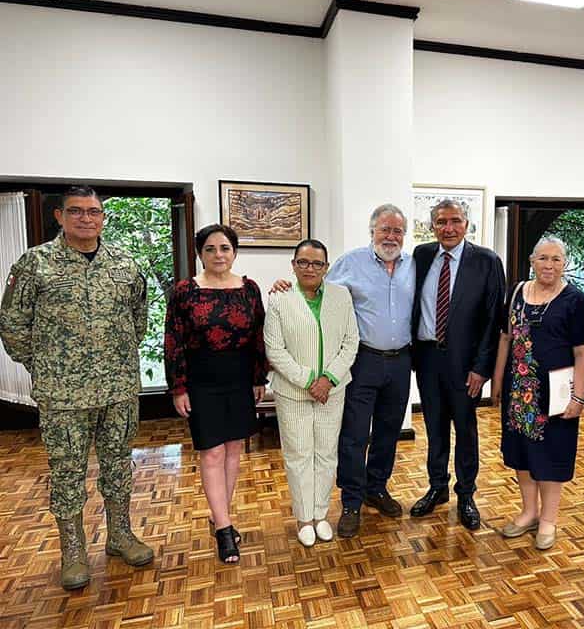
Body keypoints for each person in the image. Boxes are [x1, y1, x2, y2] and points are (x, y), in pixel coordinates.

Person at [0, 185, 153, 590]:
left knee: (119, 464)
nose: (86, 218)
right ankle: (73, 551)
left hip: (118, 389)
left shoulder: (124, 263)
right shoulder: (36, 264)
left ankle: (120, 535)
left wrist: (113, 357)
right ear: (59, 217)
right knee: (67, 472)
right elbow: (12, 324)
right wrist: (44, 364)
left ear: (103, 216)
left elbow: (140, 318)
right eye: (76, 211)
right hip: (62, 395)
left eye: (93, 212)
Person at [164, 224, 268, 564]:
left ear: (234, 252)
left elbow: (258, 336)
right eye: (210, 249)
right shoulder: (185, 291)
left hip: (239, 377)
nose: (218, 255)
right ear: (200, 253)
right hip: (201, 378)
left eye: (224, 248)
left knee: (234, 448)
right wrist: (178, 386)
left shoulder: (249, 289)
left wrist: (258, 378)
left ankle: (219, 512)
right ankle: (224, 529)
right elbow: (174, 340)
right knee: (211, 453)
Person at [490, 237, 584, 550]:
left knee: (552, 454)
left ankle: (548, 519)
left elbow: (583, 353)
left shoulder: (574, 300)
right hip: (519, 392)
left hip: (557, 395)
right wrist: (496, 382)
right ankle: (529, 512)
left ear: (565, 264)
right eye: (543, 258)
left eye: (556, 259)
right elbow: (506, 339)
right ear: (532, 261)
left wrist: (578, 397)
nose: (549, 265)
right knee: (521, 454)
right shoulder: (517, 292)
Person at [410, 199, 506, 530]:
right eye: (441, 222)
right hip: (426, 357)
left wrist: (482, 368)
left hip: (466, 364)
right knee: (434, 428)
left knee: (464, 429)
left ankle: (466, 493)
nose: (448, 228)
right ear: (432, 226)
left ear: (467, 225)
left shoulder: (487, 261)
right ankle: (437, 487)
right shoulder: (421, 256)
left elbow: (494, 319)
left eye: (455, 221)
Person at [325, 204, 416, 538]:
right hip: (362, 361)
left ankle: (376, 488)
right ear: (372, 231)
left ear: (404, 235)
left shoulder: (413, 265)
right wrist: (284, 286)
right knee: (354, 434)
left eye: (397, 231)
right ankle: (351, 501)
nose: (391, 237)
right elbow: (320, 295)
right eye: (385, 230)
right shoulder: (351, 262)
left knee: (389, 431)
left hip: (401, 360)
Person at [264, 239, 359, 546]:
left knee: (326, 454)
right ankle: (304, 518)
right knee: (299, 455)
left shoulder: (341, 296)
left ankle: (321, 515)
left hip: (333, 390)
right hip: (294, 392)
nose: (310, 268)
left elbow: (350, 342)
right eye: (303, 262)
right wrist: (309, 380)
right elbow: (275, 350)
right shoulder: (280, 299)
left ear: (326, 268)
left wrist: (329, 379)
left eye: (317, 263)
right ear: (293, 265)